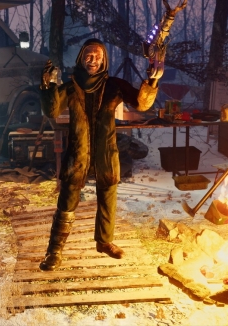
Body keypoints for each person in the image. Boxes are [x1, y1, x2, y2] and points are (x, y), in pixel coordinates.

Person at [38, 39, 159, 270]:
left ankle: (104, 242)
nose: (93, 60)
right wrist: (48, 86)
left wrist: (152, 80)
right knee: (67, 200)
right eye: (89, 55)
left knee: (108, 197)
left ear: (104, 60)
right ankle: (54, 251)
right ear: (81, 58)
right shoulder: (71, 86)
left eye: (98, 56)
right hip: (78, 153)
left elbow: (142, 104)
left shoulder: (114, 85)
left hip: (106, 153)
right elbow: (51, 110)